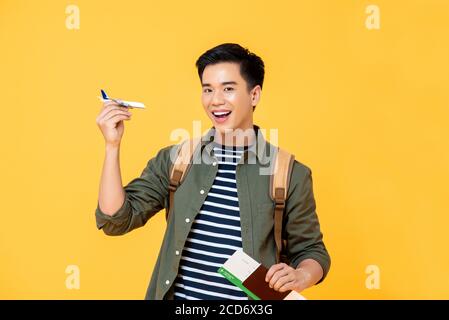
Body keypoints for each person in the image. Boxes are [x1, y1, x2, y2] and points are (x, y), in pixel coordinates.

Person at [95, 43, 331, 300]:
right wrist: (112, 145)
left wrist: (301, 275)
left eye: (228, 89)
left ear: (254, 95)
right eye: (208, 90)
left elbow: (312, 251)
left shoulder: (289, 173)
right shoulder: (177, 160)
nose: (215, 100)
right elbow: (116, 219)